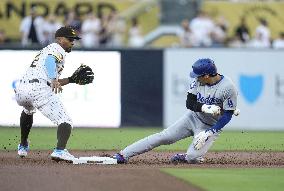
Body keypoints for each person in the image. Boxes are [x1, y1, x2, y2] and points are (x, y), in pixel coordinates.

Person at [113, 58, 239, 164]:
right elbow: (189, 103)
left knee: (193, 157)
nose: (195, 78)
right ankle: (124, 154)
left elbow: (228, 115)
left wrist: (210, 132)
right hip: (192, 118)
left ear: (206, 76)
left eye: (198, 76)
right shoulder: (197, 81)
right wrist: (205, 107)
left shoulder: (228, 87)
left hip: (209, 126)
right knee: (163, 137)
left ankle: (185, 157)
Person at [15, 26, 94, 161]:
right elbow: (50, 61)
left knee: (28, 109)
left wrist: (70, 80)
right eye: (70, 39)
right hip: (38, 89)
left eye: (74, 39)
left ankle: (23, 146)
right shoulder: (57, 48)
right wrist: (53, 78)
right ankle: (59, 151)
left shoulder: (45, 50)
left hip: (22, 89)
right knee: (65, 121)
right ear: (59, 39)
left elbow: (51, 82)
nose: (72, 42)